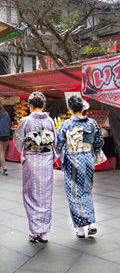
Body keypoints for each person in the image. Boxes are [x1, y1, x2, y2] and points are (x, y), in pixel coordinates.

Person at [57, 95, 104, 238]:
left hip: (73, 160)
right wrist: (92, 152)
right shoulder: (92, 123)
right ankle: (91, 224)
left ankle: (81, 228)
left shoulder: (65, 125)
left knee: (73, 194)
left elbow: (59, 145)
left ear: (69, 108)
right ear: (82, 107)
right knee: (86, 190)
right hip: (88, 159)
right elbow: (99, 141)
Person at [14, 92, 58, 243]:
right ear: (43, 105)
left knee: (31, 194)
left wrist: (25, 150)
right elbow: (55, 143)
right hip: (46, 161)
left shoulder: (25, 121)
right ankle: (44, 232)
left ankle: (34, 231)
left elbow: (18, 140)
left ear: (30, 105)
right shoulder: (50, 121)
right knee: (45, 195)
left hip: (32, 161)